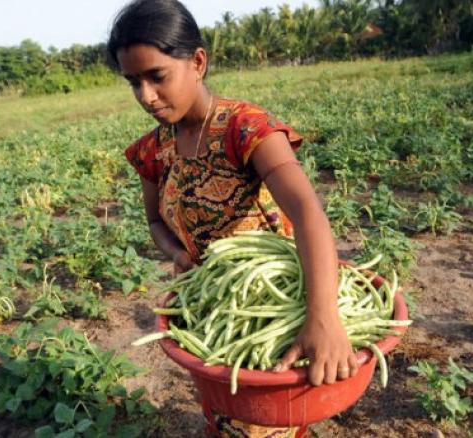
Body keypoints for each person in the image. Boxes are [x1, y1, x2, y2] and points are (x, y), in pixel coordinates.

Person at [108, 1, 356, 436]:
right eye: (134, 82)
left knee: (267, 416)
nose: (146, 96)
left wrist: (322, 317)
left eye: (157, 76)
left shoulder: (247, 128)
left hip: (280, 298)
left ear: (197, 62)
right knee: (226, 406)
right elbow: (155, 224)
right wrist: (179, 256)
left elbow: (307, 211)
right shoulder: (151, 150)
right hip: (218, 307)